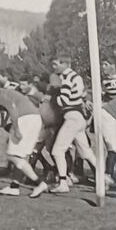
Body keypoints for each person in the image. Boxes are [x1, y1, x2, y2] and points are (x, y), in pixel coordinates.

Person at [0, 77, 50, 198]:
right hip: (34, 118)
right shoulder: (4, 92)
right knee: (20, 157)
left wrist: (16, 128)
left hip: (25, 119)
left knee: (13, 156)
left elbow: (11, 108)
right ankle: (14, 187)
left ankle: (40, 183)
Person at [46, 56, 100, 194]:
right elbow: (82, 94)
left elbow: (63, 101)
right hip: (78, 118)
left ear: (65, 63)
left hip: (72, 118)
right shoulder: (76, 77)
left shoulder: (67, 78)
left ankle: (63, 182)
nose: (53, 67)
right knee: (85, 152)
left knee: (57, 151)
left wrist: (50, 99)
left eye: (56, 64)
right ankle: (102, 177)